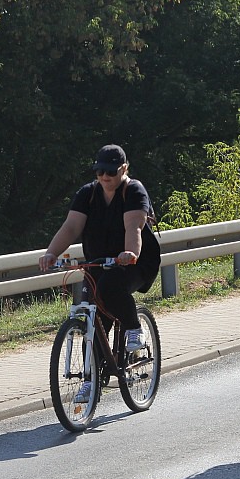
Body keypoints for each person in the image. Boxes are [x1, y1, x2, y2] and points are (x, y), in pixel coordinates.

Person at [39, 144, 158, 402]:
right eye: (99, 171)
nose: (104, 177)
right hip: (97, 262)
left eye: (111, 172)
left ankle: (134, 328)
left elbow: (134, 228)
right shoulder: (88, 194)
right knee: (91, 318)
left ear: (124, 169)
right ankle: (91, 381)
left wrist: (129, 253)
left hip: (135, 261)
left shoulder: (133, 190)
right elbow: (71, 228)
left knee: (110, 289)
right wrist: (51, 253)